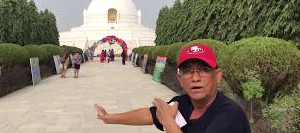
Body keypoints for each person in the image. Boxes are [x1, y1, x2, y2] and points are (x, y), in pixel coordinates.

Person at [94, 43, 251, 133]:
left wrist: (169, 123)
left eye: (203, 70)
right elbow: (150, 114)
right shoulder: (183, 103)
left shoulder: (230, 115)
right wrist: (109, 118)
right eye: (188, 71)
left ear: (217, 75)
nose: (195, 78)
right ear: (180, 79)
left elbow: (166, 118)